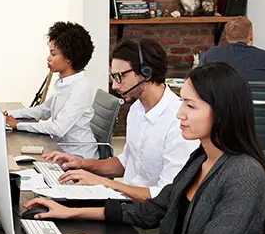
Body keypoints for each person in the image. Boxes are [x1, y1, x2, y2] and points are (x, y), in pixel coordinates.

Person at [22, 62, 265, 234]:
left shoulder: (244, 175)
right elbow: (152, 211)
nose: (180, 114)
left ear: (222, 112)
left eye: (190, 106)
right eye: (181, 103)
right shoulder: (202, 156)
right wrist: (72, 212)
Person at [44, 38, 197, 202]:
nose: (115, 86)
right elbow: (125, 162)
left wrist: (105, 184)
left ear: (146, 72)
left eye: (119, 77)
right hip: (125, 201)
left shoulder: (179, 122)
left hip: (149, 218)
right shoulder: (137, 109)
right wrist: (80, 163)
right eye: (113, 77)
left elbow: (166, 196)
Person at [5, 21, 98, 159]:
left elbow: (57, 129)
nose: (48, 58)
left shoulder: (80, 87)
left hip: (79, 157)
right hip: (60, 149)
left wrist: (18, 125)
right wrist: (9, 114)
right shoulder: (64, 81)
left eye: (53, 54)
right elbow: (43, 111)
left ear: (68, 58)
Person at [200, 17, 265, 81]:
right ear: (251, 35)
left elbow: (200, 80)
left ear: (227, 37)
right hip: (254, 100)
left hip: (221, 100)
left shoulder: (212, 54)